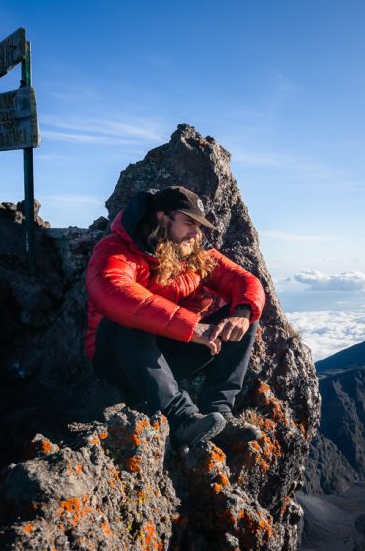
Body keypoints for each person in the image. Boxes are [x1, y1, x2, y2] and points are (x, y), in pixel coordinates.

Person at [84, 185, 264, 450]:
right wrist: (192, 327)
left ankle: (220, 412)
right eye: (189, 222)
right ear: (162, 217)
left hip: (167, 354)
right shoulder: (116, 250)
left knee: (244, 316)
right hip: (120, 359)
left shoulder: (191, 251)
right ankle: (181, 418)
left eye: (198, 225)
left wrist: (242, 313)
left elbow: (243, 280)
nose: (196, 232)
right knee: (128, 318)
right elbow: (115, 292)